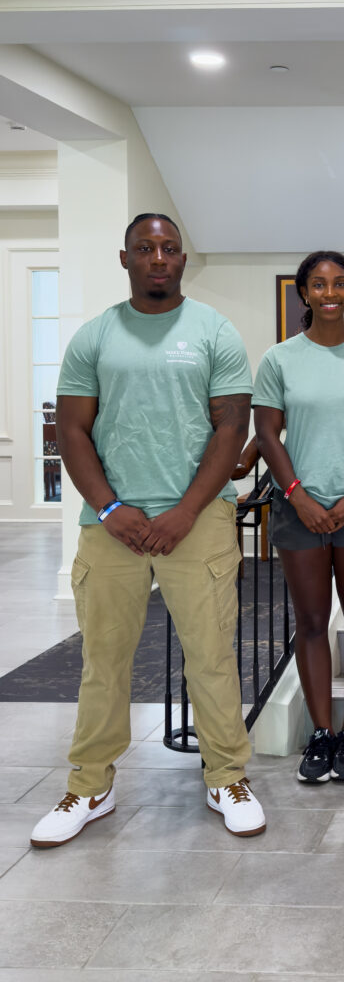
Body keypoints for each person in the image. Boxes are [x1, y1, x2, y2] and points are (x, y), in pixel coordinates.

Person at [31, 213, 265, 847]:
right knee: (103, 662)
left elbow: (231, 429)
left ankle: (227, 777)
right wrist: (109, 507)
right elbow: (70, 431)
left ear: (183, 259)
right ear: (125, 258)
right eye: (145, 248)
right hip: (112, 526)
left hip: (200, 521)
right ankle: (89, 787)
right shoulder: (95, 336)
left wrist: (187, 510)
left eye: (168, 249)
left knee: (212, 658)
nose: (157, 258)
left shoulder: (214, 331)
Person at [253, 251, 344, 784]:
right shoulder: (280, 359)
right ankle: (321, 732)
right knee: (312, 624)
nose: (330, 292)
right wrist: (298, 496)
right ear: (305, 294)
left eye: (340, 283)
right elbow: (268, 434)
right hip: (299, 511)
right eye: (319, 284)